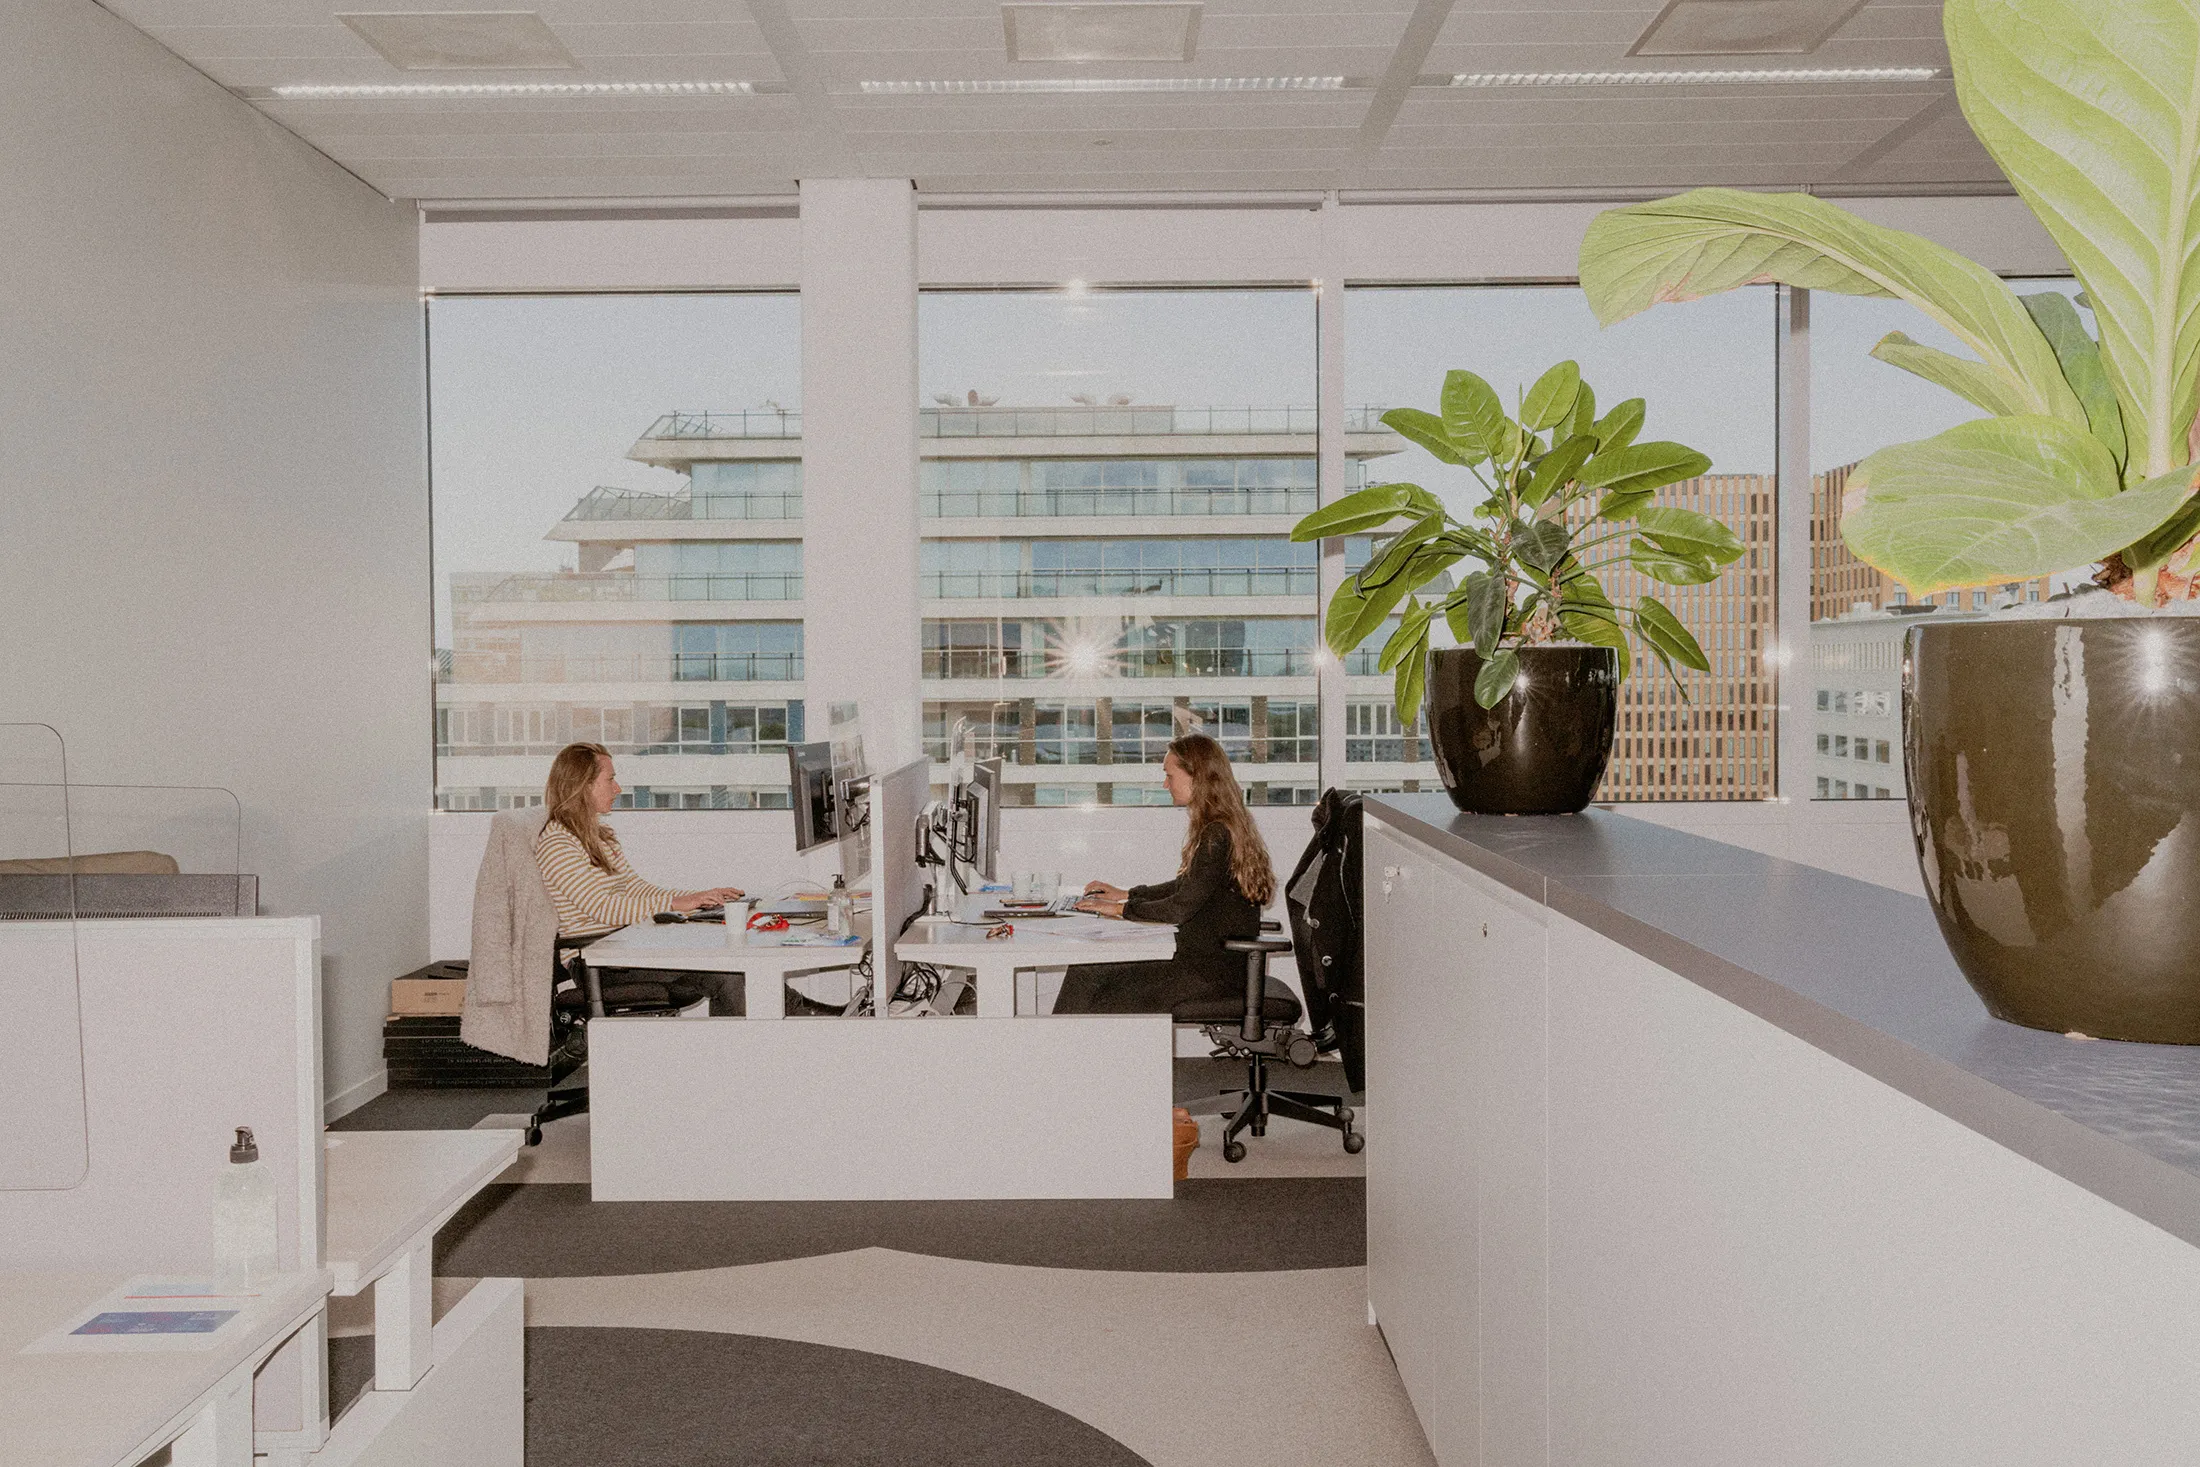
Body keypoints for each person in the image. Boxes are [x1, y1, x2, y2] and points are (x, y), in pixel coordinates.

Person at [1053, 732, 1276, 1014]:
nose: (1165, 783)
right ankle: (1060, 1054)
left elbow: (1178, 909)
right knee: (1088, 971)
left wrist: (1120, 909)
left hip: (1208, 975)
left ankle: (1056, 1055)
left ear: (1197, 777)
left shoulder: (1216, 834)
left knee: (1095, 985)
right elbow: (1185, 887)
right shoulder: (1221, 825)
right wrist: (1126, 894)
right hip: (1207, 966)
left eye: (1170, 776)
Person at [537, 741, 748, 1015]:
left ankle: (810, 1018)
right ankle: (745, 1051)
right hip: (597, 961)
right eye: (610, 779)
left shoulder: (600, 836)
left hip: (621, 948)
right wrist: (673, 904)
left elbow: (636, 888)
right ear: (583, 785)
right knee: (728, 975)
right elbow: (604, 908)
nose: (617, 789)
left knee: (734, 967)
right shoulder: (557, 843)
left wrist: (699, 898)